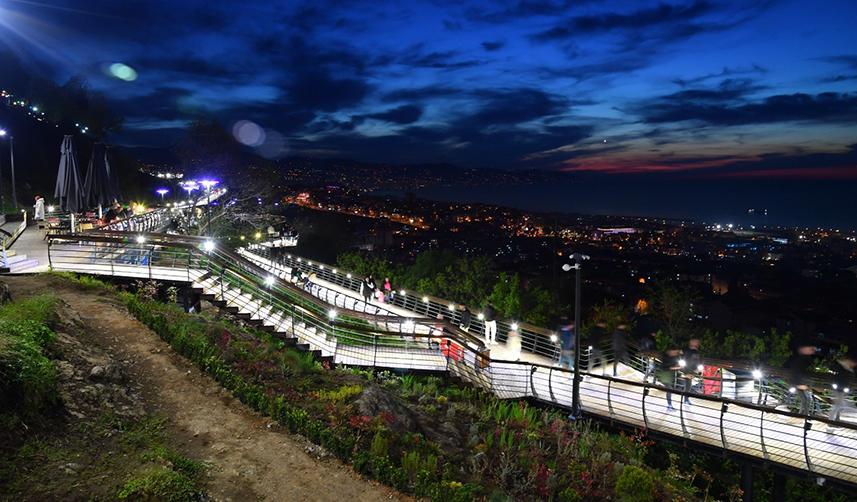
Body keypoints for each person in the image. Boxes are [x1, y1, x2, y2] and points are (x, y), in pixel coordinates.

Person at [787, 344, 816, 415]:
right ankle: (804, 415)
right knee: (805, 399)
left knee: (807, 399)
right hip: (798, 383)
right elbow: (797, 372)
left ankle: (803, 414)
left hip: (801, 383)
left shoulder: (803, 359)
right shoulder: (801, 360)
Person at [829, 357, 856, 422]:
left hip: (841, 388)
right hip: (839, 388)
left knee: (839, 404)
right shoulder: (843, 368)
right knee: (839, 404)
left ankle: (832, 419)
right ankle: (831, 419)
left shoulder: (847, 369)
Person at [657, 348, 683, 412]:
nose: (675, 353)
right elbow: (667, 367)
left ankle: (670, 406)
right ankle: (669, 406)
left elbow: (675, 365)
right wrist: (677, 367)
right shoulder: (666, 358)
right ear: (670, 351)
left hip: (668, 375)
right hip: (664, 375)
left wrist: (677, 365)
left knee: (670, 389)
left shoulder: (674, 357)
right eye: (674, 352)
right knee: (669, 389)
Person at [681, 339, 702, 404]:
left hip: (693, 370)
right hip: (688, 370)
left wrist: (698, 369)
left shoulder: (696, 351)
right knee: (688, 385)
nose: (697, 343)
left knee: (689, 385)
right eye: (696, 342)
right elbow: (685, 359)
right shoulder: (688, 350)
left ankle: (686, 399)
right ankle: (685, 400)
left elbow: (697, 360)